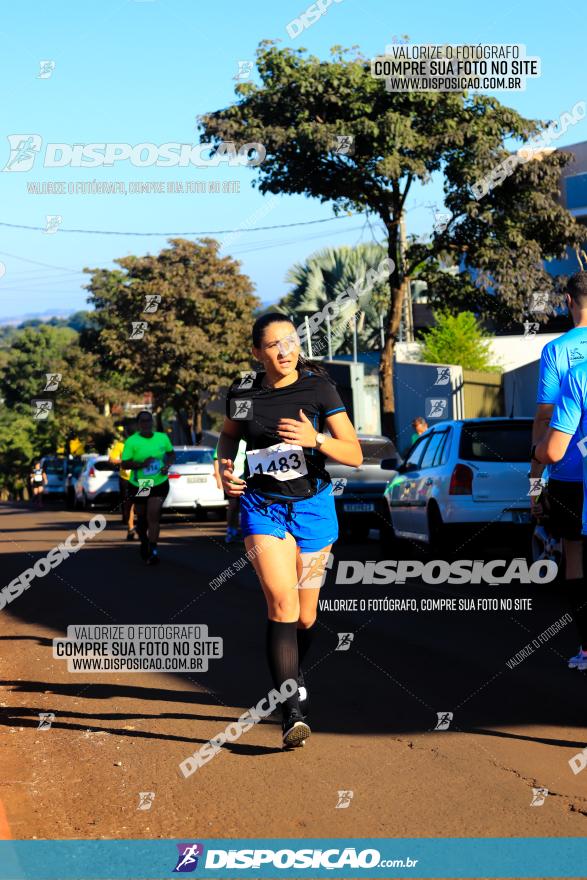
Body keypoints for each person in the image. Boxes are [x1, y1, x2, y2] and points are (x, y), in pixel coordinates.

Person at [217, 313, 362, 749]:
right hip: (263, 507)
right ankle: (290, 711)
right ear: (257, 352)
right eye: (275, 345)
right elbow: (229, 438)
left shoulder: (319, 387)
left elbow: (353, 453)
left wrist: (314, 439)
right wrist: (223, 470)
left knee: (305, 615)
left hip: (314, 508)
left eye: (291, 341)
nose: (286, 350)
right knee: (281, 603)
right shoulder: (244, 391)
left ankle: (293, 674)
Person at [534, 274, 587, 670]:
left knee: (575, 556)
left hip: (570, 472)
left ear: (568, 300)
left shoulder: (559, 353)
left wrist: (534, 483)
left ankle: (586, 647)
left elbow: (546, 421)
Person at [121, 411, 175, 565]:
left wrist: (167, 465)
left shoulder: (162, 438)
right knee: (142, 518)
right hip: (141, 483)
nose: (146, 423)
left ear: (152, 422)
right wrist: (141, 464)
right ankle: (144, 541)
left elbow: (171, 454)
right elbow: (124, 463)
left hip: (159, 482)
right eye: (143, 421)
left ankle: (153, 549)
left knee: (153, 514)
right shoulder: (132, 441)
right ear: (138, 424)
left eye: (148, 420)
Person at [214, 439, 247, 543]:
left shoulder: (247, 441)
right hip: (231, 478)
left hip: (244, 478)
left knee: (243, 506)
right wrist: (219, 479)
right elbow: (216, 459)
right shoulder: (228, 440)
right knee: (233, 506)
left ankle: (241, 532)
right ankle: (230, 530)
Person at [108, 427, 136, 540]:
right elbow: (111, 459)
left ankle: (143, 528)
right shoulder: (120, 446)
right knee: (129, 504)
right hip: (126, 478)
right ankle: (130, 529)